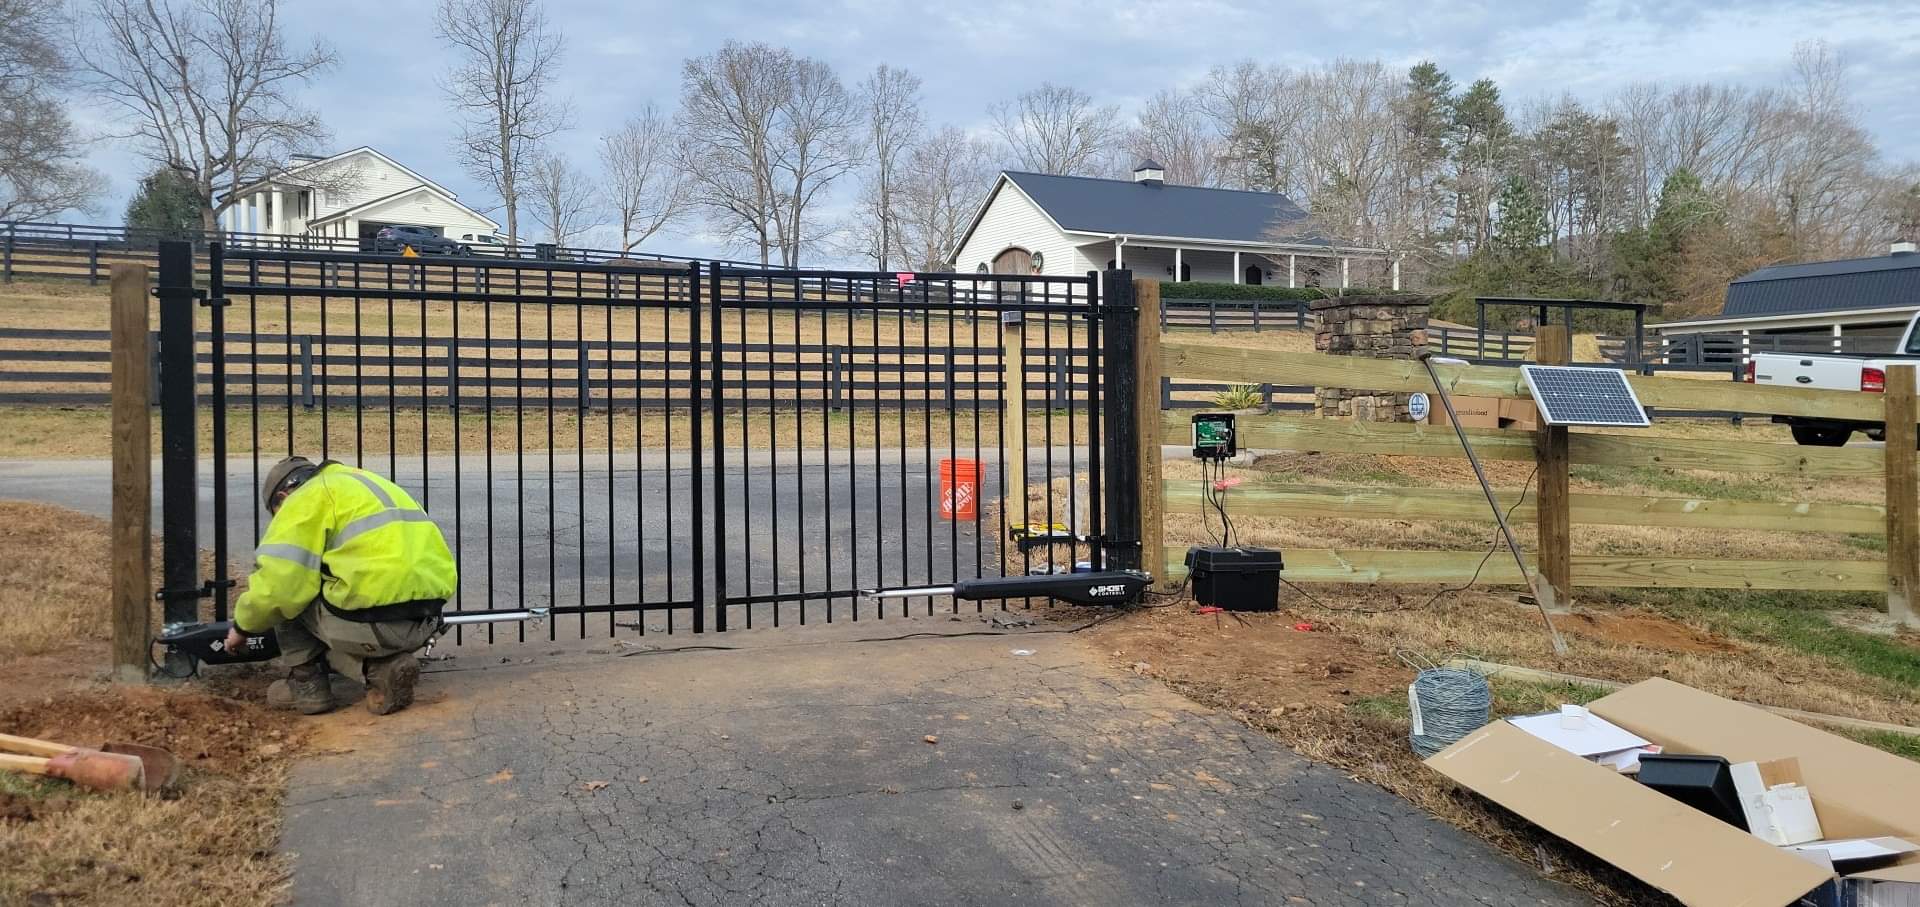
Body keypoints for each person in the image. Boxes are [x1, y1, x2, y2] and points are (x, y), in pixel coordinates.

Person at [226, 456, 457, 715]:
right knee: (324, 581)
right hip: (426, 623)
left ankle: (308, 686)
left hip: (374, 627)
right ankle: (379, 670)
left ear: (283, 496)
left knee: (290, 592)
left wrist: (242, 627)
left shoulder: (305, 499)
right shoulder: (367, 482)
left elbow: (278, 587)